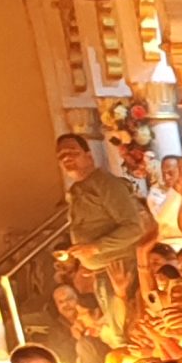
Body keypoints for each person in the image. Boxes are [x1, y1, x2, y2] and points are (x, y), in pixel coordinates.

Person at [56, 133, 155, 333]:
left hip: (121, 270)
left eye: (72, 152)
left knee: (127, 331)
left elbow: (134, 228)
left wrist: (95, 248)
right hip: (102, 273)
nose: (66, 157)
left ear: (89, 156)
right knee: (116, 331)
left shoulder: (107, 184)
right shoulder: (77, 190)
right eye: (61, 155)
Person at [49, 285, 109, 363]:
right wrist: (74, 339)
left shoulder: (95, 318)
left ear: (78, 299)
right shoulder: (56, 330)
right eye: (60, 302)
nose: (66, 304)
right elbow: (60, 360)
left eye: (69, 299)